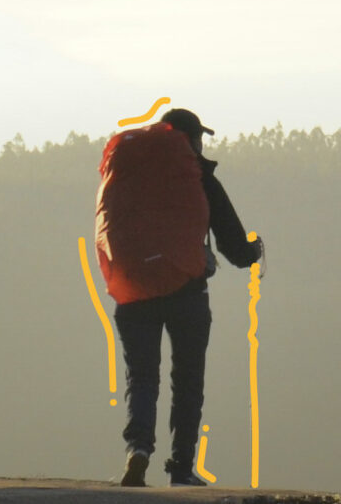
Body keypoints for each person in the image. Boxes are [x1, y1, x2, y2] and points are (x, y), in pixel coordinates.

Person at [93, 108, 262, 487]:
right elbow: (233, 244)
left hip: (133, 289)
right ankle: (181, 467)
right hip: (186, 291)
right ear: (190, 139)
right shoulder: (197, 174)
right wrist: (254, 252)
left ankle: (138, 449)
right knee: (187, 378)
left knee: (142, 375)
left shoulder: (128, 173)